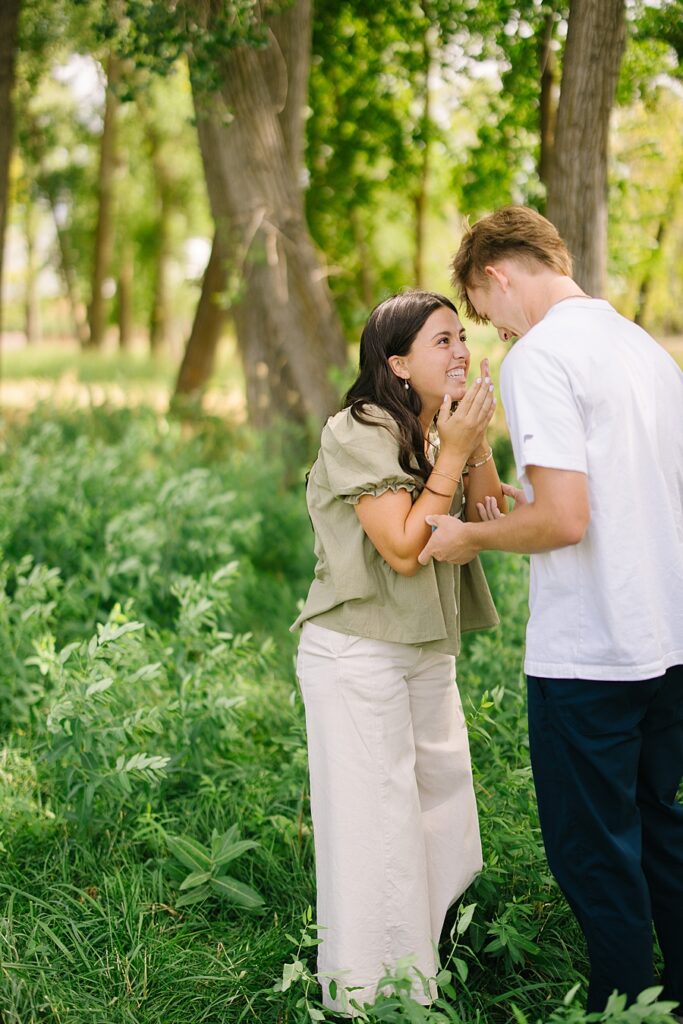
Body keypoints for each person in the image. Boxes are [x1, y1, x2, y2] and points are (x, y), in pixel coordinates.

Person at [418, 206, 683, 1015]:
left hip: (589, 655)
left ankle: (622, 1003)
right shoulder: (646, 350)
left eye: (481, 310)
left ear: (496, 275)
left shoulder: (540, 356)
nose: (486, 332)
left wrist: (466, 536)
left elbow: (565, 522)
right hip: (664, 639)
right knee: (658, 832)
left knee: (590, 849)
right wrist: (508, 500)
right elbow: (612, 499)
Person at [291, 290, 504, 1015]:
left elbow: (486, 514)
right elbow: (406, 548)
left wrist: (471, 445)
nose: (459, 351)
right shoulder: (357, 429)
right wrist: (453, 452)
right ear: (397, 361)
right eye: (441, 340)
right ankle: (367, 997)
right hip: (357, 653)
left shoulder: (430, 425)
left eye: (461, 337)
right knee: (373, 825)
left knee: (442, 810)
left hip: (421, 648)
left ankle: (423, 964)